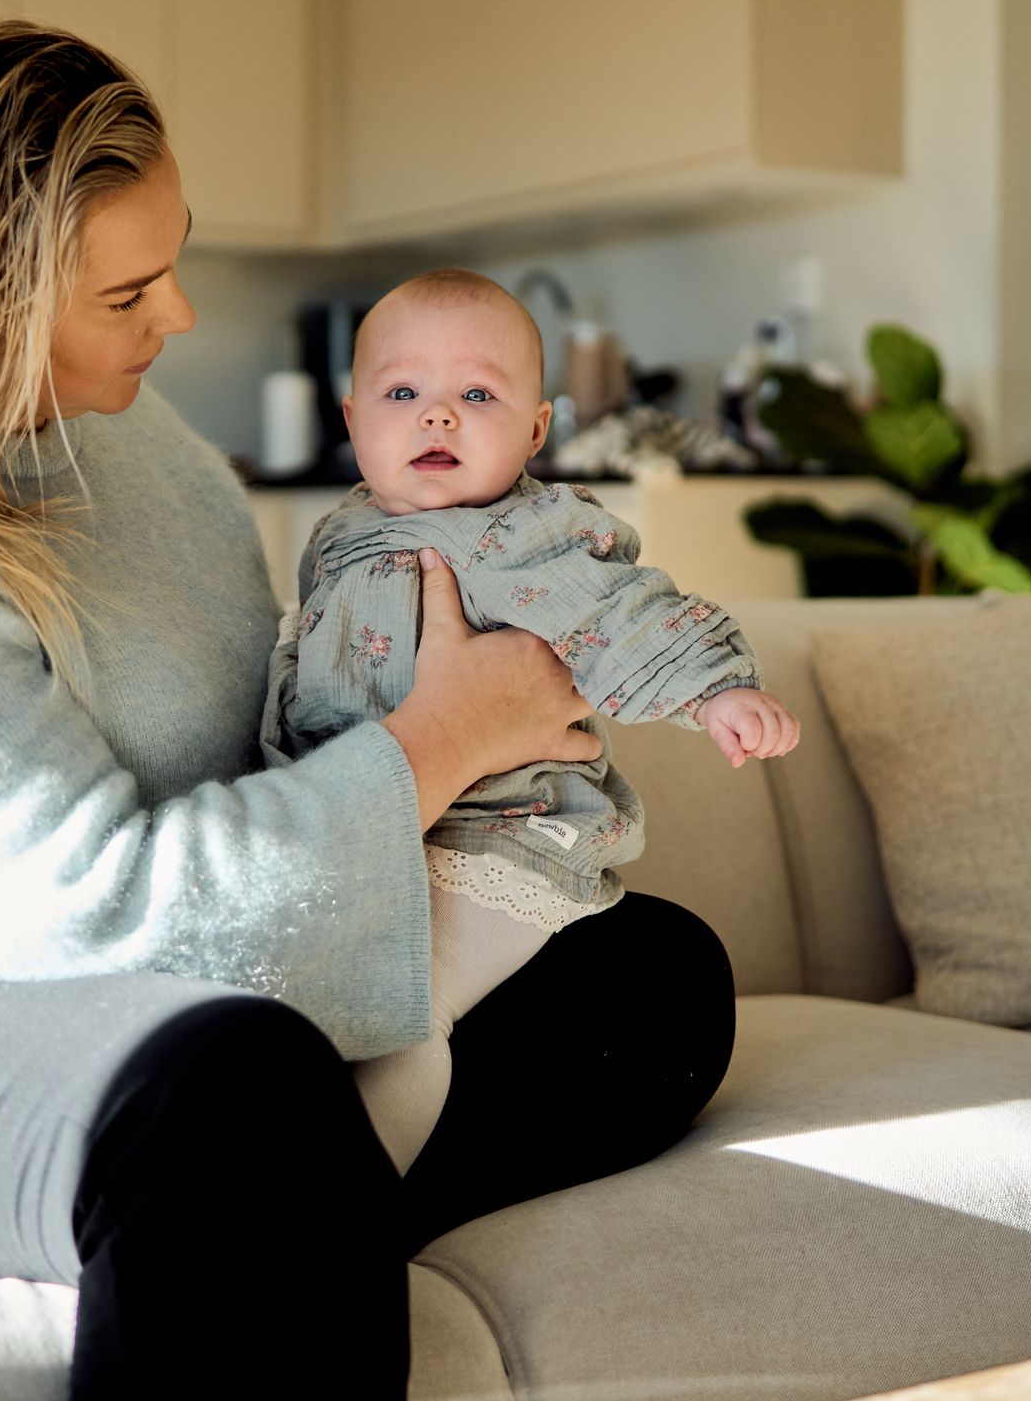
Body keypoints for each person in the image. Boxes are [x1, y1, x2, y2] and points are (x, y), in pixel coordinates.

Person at [0, 19, 738, 1401]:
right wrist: (449, 734)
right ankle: (275, 1192)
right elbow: (96, 911)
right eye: (127, 291)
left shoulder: (151, 450)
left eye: (175, 257)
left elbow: (263, 738)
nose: (182, 316)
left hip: (175, 983)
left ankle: (279, 1207)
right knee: (232, 1100)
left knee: (649, 973)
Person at [266, 270, 799, 1173]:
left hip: (491, 848)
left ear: (536, 430)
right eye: (404, 393)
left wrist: (716, 689)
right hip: (366, 836)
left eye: (477, 394)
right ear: (353, 420)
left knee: (399, 1007)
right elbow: (298, 666)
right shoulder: (337, 538)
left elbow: (627, 613)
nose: (438, 417)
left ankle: (351, 1203)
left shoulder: (529, 534)